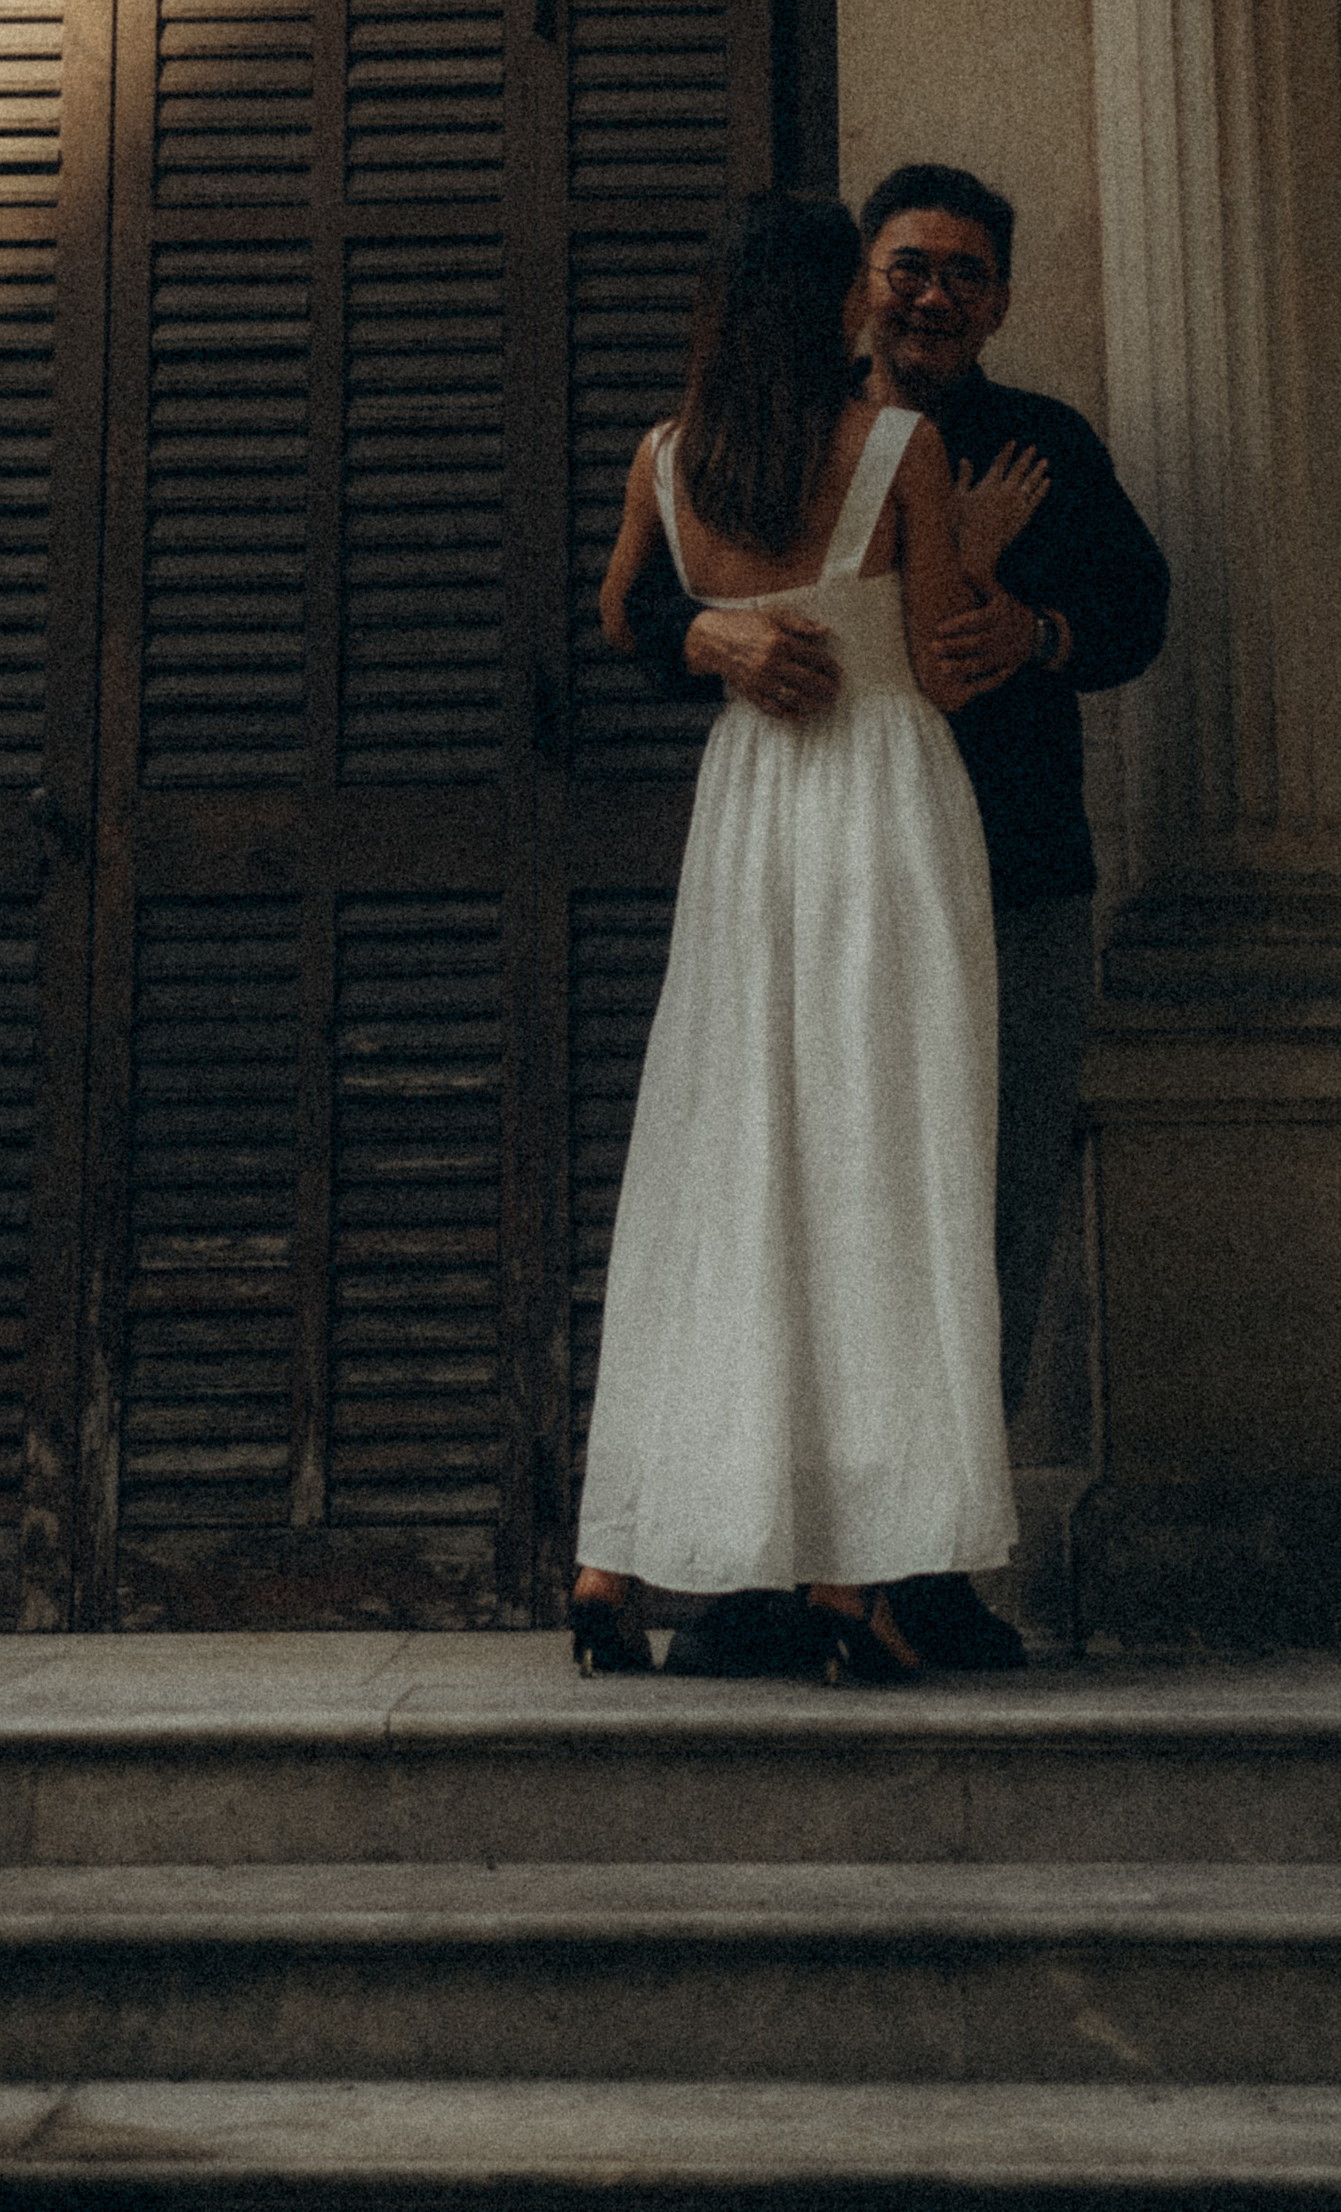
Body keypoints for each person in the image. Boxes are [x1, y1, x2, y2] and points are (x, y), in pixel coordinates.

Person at [622, 160, 1169, 1673]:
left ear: (1002, 301)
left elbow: (1139, 607)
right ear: (858, 282)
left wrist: (1037, 629)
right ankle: (760, 1565)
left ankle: (922, 1567)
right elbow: (638, 603)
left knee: (978, 1215)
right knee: (783, 1203)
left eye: (966, 274)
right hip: (808, 882)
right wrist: (710, 636)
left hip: (1013, 872)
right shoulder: (757, 437)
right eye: (908, 265)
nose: (933, 295)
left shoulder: (1044, 444)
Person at [568, 193, 1043, 1683]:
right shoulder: (901, 448)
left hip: (751, 816)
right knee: (884, 1165)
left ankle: (612, 1561)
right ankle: (854, 1577)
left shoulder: (666, 455)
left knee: (728, 1160)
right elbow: (947, 668)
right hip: (882, 814)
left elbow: (619, 612)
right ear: (835, 300)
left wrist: (717, 628)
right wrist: (973, 547)